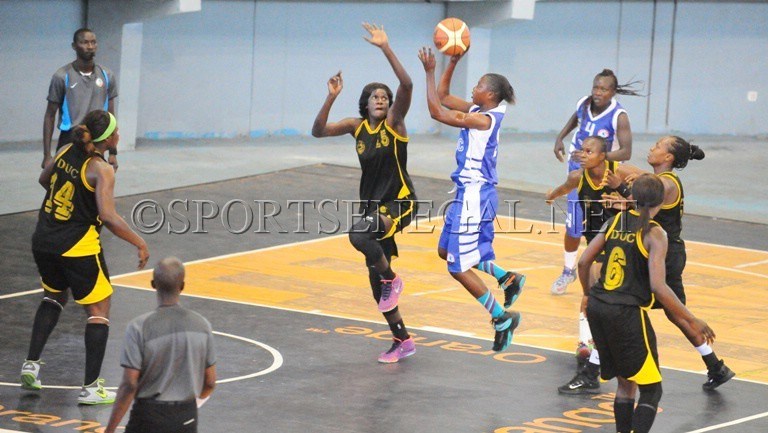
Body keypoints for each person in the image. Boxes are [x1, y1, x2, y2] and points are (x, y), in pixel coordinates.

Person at [21, 109, 149, 404]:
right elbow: (109, 216)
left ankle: (31, 364)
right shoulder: (100, 169)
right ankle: (91, 387)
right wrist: (139, 242)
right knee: (99, 310)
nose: (119, 135)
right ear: (108, 139)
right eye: (116, 132)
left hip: (43, 238)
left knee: (53, 296)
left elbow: (44, 180)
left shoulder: (66, 149)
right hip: (77, 245)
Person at [312, 23, 418, 363]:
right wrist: (330, 96)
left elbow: (407, 84)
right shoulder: (356, 127)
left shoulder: (394, 124)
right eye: (375, 96)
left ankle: (393, 278)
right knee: (376, 285)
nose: (382, 100)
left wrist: (386, 47)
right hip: (373, 206)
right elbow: (318, 131)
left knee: (358, 234)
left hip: (400, 201)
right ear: (365, 103)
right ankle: (402, 339)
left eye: (385, 97)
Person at [579, 174, 715, 433]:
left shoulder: (615, 220)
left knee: (626, 383)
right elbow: (658, 287)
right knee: (652, 390)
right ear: (662, 202)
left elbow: (585, 262)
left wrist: (587, 294)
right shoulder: (655, 233)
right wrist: (692, 318)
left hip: (598, 306)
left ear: (630, 197)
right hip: (625, 313)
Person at [597, 136, 735, 391]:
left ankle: (595, 363)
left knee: (621, 301)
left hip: (663, 253)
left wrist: (621, 189)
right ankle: (716, 366)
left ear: (669, 157)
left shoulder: (666, 183)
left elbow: (645, 209)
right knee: (675, 313)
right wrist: (622, 200)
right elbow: (639, 204)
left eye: (659, 146)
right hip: (660, 250)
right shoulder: (659, 181)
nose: (652, 147)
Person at [417, 47, 525, 352]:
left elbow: (436, 112)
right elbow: (443, 96)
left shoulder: (484, 121)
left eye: (478, 85)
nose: (474, 89)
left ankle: (501, 317)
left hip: (475, 197)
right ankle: (507, 278)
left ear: (489, 94)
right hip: (467, 193)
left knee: (456, 267)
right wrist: (451, 62)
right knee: (444, 251)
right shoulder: (479, 110)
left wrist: (428, 70)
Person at [545, 135, 633, 392]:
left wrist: (627, 198)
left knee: (591, 297)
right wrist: (551, 196)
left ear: (603, 156)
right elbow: (564, 188)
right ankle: (589, 347)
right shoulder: (578, 177)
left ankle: (591, 351)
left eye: (588, 151)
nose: (582, 154)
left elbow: (651, 187)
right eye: (581, 150)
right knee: (595, 299)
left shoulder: (621, 172)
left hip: (618, 242)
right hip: (595, 240)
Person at [550, 69, 641, 297]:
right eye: (596, 87)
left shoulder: (619, 116)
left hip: (602, 178)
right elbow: (575, 120)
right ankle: (568, 270)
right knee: (573, 226)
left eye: (604, 89)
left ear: (613, 92)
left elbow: (626, 152)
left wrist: (598, 157)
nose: (598, 92)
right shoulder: (584, 103)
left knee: (602, 229)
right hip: (578, 173)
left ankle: (609, 275)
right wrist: (560, 137)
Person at [105, 257, 217, 433]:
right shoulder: (202, 325)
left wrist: (110, 429)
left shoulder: (139, 327)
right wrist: (190, 406)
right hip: (186, 416)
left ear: (153, 284)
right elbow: (210, 382)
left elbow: (129, 384)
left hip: (149, 417)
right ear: (182, 286)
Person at [43, 28, 119, 171]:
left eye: (93, 42)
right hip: (70, 139)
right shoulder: (61, 76)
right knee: (64, 186)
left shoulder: (107, 75)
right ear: (74, 46)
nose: (90, 46)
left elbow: (111, 116)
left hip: (97, 140)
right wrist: (47, 155)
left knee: (95, 186)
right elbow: (50, 115)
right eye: (84, 42)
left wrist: (113, 152)